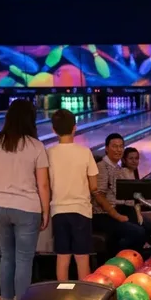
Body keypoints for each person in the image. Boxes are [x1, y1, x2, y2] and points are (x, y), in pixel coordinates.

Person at [0, 99, 50, 300]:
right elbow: (43, 184)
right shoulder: (35, 146)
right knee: (23, 259)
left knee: (6, 256)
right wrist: (46, 210)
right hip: (27, 208)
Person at [47, 108, 99, 281]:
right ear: (74, 128)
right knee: (82, 257)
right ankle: (84, 294)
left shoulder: (49, 153)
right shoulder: (85, 152)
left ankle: (62, 292)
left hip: (58, 211)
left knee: (62, 257)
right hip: (81, 210)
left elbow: (45, 183)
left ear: (53, 130)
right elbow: (94, 186)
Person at [92, 133, 147, 254]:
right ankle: (117, 259)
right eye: (115, 146)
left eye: (121, 146)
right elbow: (99, 196)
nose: (118, 150)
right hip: (102, 215)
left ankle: (128, 258)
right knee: (138, 232)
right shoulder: (101, 167)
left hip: (118, 210)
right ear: (107, 148)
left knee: (147, 225)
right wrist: (117, 216)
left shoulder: (118, 169)